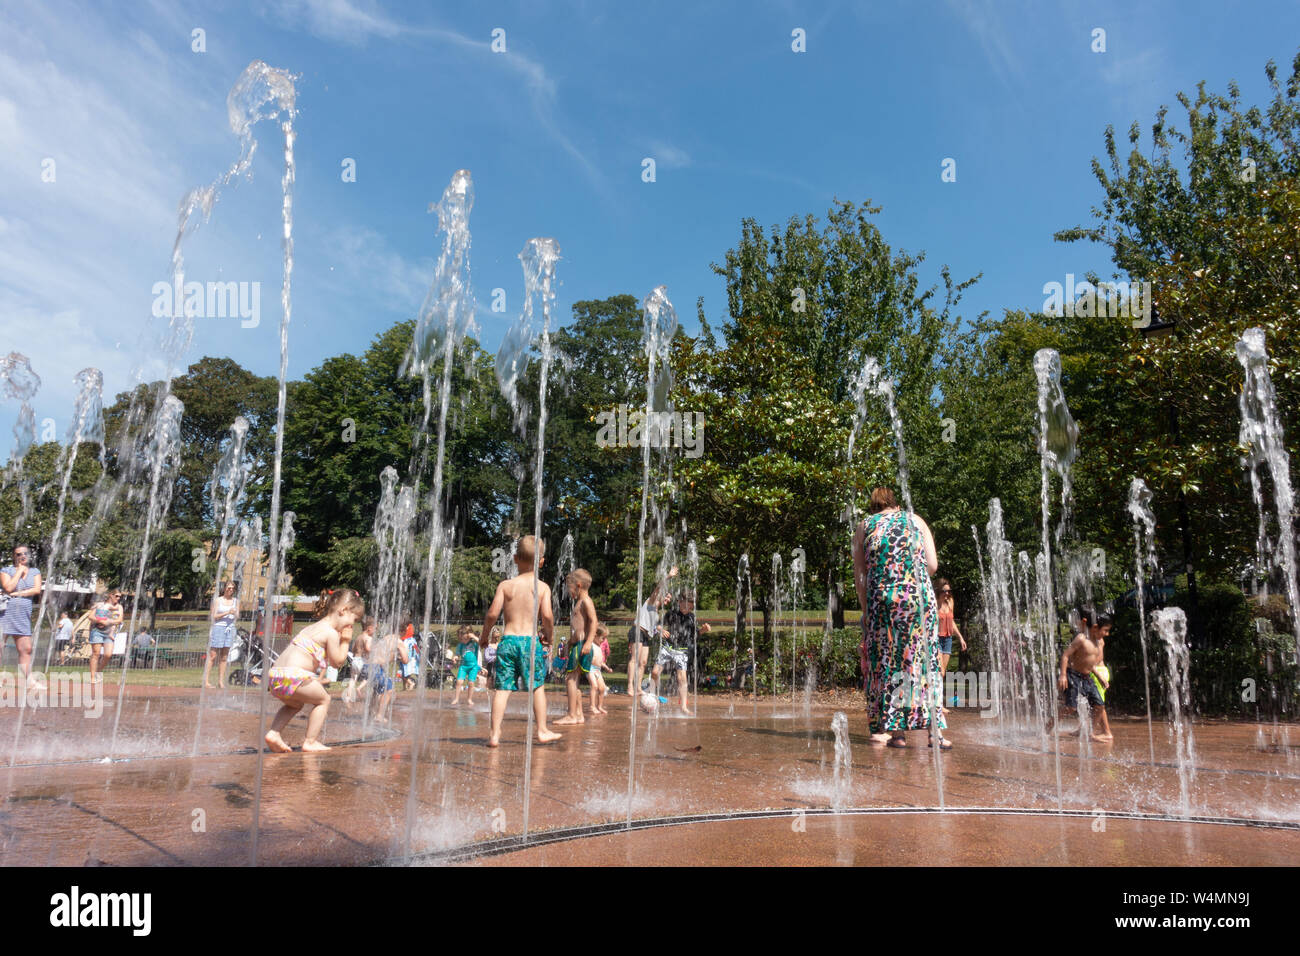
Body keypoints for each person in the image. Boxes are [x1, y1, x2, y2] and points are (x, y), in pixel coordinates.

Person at [852, 487, 949, 750]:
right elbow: (931, 566)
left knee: (887, 663)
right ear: (895, 504)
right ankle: (934, 733)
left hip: (883, 603)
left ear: (873, 506)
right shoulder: (916, 520)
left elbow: (860, 576)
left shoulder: (865, 526)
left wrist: (865, 610)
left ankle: (897, 734)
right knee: (925, 661)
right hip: (918, 601)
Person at [479, 535, 560, 747]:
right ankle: (542, 730)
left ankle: (494, 734)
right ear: (541, 561)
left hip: (507, 641)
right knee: (537, 687)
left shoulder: (506, 585)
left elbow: (491, 614)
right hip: (529, 643)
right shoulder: (542, 587)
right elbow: (548, 617)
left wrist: (484, 636)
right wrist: (549, 637)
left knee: (502, 688)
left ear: (515, 558)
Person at [264, 589, 362, 753]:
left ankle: (274, 733)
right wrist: (345, 641)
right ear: (343, 610)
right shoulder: (330, 633)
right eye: (354, 619)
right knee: (324, 700)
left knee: (295, 704)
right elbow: (337, 662)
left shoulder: (312, 627)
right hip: (294, 676)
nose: (352, 625)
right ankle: (310, 741)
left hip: (275, 675)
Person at [1055, 610, 1113, 742]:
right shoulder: (1081, 639)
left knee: (1099, 706)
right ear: (1094, 628)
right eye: (1105, 630)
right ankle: (1049, 724)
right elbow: (1065, 655)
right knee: (1070, 707)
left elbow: (1090, 663)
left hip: (1087, 677)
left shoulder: (1098, 642)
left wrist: (1099, 677)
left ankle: (1090, 733)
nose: (1107, 634)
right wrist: (1063, 675)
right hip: (1073, 676)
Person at [654, 588, 710, 715]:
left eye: (690, 608)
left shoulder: (691, 617)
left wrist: (703, 630)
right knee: (655, 672)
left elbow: (694, 635)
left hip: (682, 650)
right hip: (668, 647)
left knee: (682, 678)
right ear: (679, 602)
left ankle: (683, 706)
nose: (687, 610)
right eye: (685, 607)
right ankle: (654, 695)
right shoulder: (671, 613)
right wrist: (660, 630)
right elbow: (657, 625)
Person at [557, 569, 598, 725]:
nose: (568, 591)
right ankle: (579, 714)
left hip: (582, 644)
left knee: (570, 679)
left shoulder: (586, 601)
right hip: (577, 644)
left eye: (570, 587)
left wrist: (588, 642)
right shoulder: (580, 602)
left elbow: (594, 621)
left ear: (579, 585)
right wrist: (569, 643)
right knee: (574, 679)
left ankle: (571, 715)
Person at [1, 544, 43, 688]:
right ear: (14, 556)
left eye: (25, 553)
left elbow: (36, 590)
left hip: (22, 615)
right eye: (18, 554)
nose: (22, 556)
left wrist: (16, 594)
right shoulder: (6, 570)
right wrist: (19, 571)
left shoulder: (35, 572)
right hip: (4, 613)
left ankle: (29, 681)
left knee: (26, 648)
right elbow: (8, 587)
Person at [628, 575, 674, 699]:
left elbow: (654, 626)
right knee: (634, 659)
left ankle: (638, 688)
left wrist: (661, 630)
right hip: (637, 631)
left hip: (645, 635)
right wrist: (668, 576)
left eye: (670, 598)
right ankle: (630, 687)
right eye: (667, 596)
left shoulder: (657, 613)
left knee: (643, 663)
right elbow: (658, 587)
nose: (668, 600)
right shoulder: (651, 601)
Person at [935, 578, 968, 710]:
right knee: (940, 671)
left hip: (947, 640)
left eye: (949, 591)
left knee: (942, 673)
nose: (947, 593)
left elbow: (952, 622)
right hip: (936, 640)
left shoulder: (950, 603)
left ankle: (937, 703)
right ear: (938, 591)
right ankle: (937, 704)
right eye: (945, 591)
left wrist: (960, 638)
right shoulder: (934, 604)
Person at [367, 626, 408, 724]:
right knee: (389, 690)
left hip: (369, 665)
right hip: (377, 667)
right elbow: (406, 660)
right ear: (403, 631)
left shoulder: (385, 638)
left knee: (377, 691)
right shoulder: (398, 641)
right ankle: (379, 716)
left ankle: (370, 713)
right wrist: (401, 657)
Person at [204, 581, 239, 689]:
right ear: (224, 589)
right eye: (229, 588)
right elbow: (213, 616)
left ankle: (220, 681)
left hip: (230, 629)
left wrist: (234, 613)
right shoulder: (218, 600)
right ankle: (206, 681)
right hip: (218, 628)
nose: (230, 590)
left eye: (232, 588)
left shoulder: (236, 601)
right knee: (213, 655)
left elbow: (237, 615)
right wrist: (227, 612)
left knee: (224, 657)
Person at [87, 589, 123, 685]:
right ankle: (92, 677)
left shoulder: (119, 607)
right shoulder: (99, 605)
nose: (118, 598)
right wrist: (101, 621)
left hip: (109, 632)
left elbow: (119, 620)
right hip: (96, 631)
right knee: (96, 654)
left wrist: (109, 622)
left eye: (120, 596)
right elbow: (90, 616)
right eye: (116, 596)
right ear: (110, 595)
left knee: (108, 655)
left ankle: (98, 671)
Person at [450, 625, 480, 706]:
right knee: (459, 682)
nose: (463, 641)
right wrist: (455, 657)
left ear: (469, 636)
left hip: (473, 667)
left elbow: (481, 642)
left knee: (471, 683)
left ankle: (469, 699)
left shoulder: (474, 643)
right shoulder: (460, 645)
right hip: (463, 666)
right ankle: (456, 699)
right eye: (461, 639)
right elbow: (457, 654)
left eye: (465, 639)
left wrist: (473, 636)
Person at [587, 622, 612, 714]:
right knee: (594, 686)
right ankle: (592, 706)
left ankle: (600, 706)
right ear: (595, 636)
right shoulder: (590, 645)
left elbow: (600, 662)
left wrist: (607, 668)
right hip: (590, 668)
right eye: (603, 638)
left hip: (598, 670)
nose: (604, 640)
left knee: (602, 688)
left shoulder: (598, 646)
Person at [401, 625, 420, 691]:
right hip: (413, 658)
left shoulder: (405, 641)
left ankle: (411, 683)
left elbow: (404, 650)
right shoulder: (413, 640)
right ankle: (404, 687)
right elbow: (417, 649)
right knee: (404, 674)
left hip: (407, 658)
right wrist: (418, 657)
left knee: (403, 673)